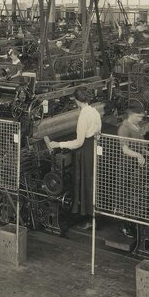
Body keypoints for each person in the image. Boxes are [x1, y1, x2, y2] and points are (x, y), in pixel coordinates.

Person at [46, 87, 101, 230]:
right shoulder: (95, 111)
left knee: (84, 183)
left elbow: (79, 142)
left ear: (76, 101)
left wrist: (59, 143)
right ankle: (92, 215)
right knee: (91, 182)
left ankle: (87, 218)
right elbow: (98, 132)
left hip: (84, 151)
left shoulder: (83, 115)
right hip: (93, 148)